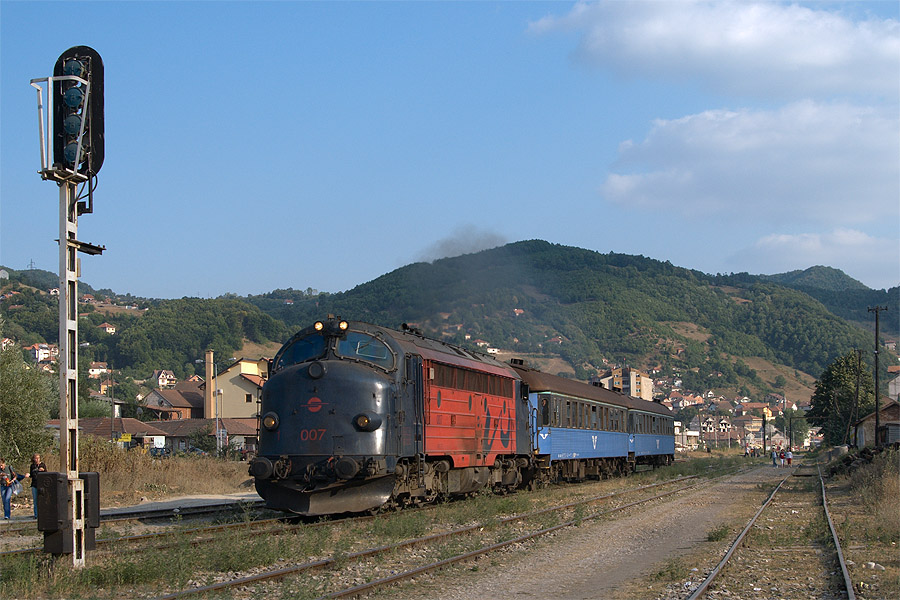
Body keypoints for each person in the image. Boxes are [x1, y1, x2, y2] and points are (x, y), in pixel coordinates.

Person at [29, 454, 46, 519]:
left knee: (42, 499)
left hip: (41, 484)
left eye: (38, 458)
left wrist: (43, 471)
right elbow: (31, 474)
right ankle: (36, 515)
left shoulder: (43, 465)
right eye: (36, 458)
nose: (37, 459)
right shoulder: (32, 466)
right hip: (34, 484)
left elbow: (47, 474)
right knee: (35, 500)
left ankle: (42, 513)